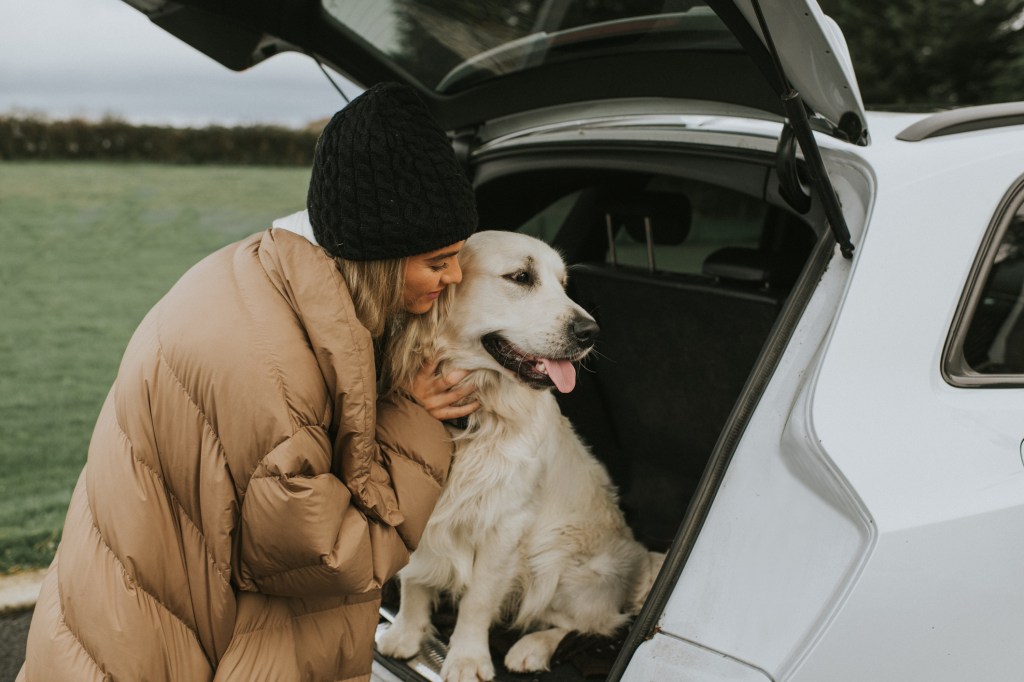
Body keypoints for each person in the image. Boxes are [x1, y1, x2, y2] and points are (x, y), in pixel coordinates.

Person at [18, 82, 479, 682]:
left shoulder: (256, 272)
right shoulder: (275, 375)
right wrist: (415, 422)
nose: (455, 276)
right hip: (153, 648)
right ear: (379, 258)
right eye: (438, 261)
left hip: (119, 610)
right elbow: (330, 556)